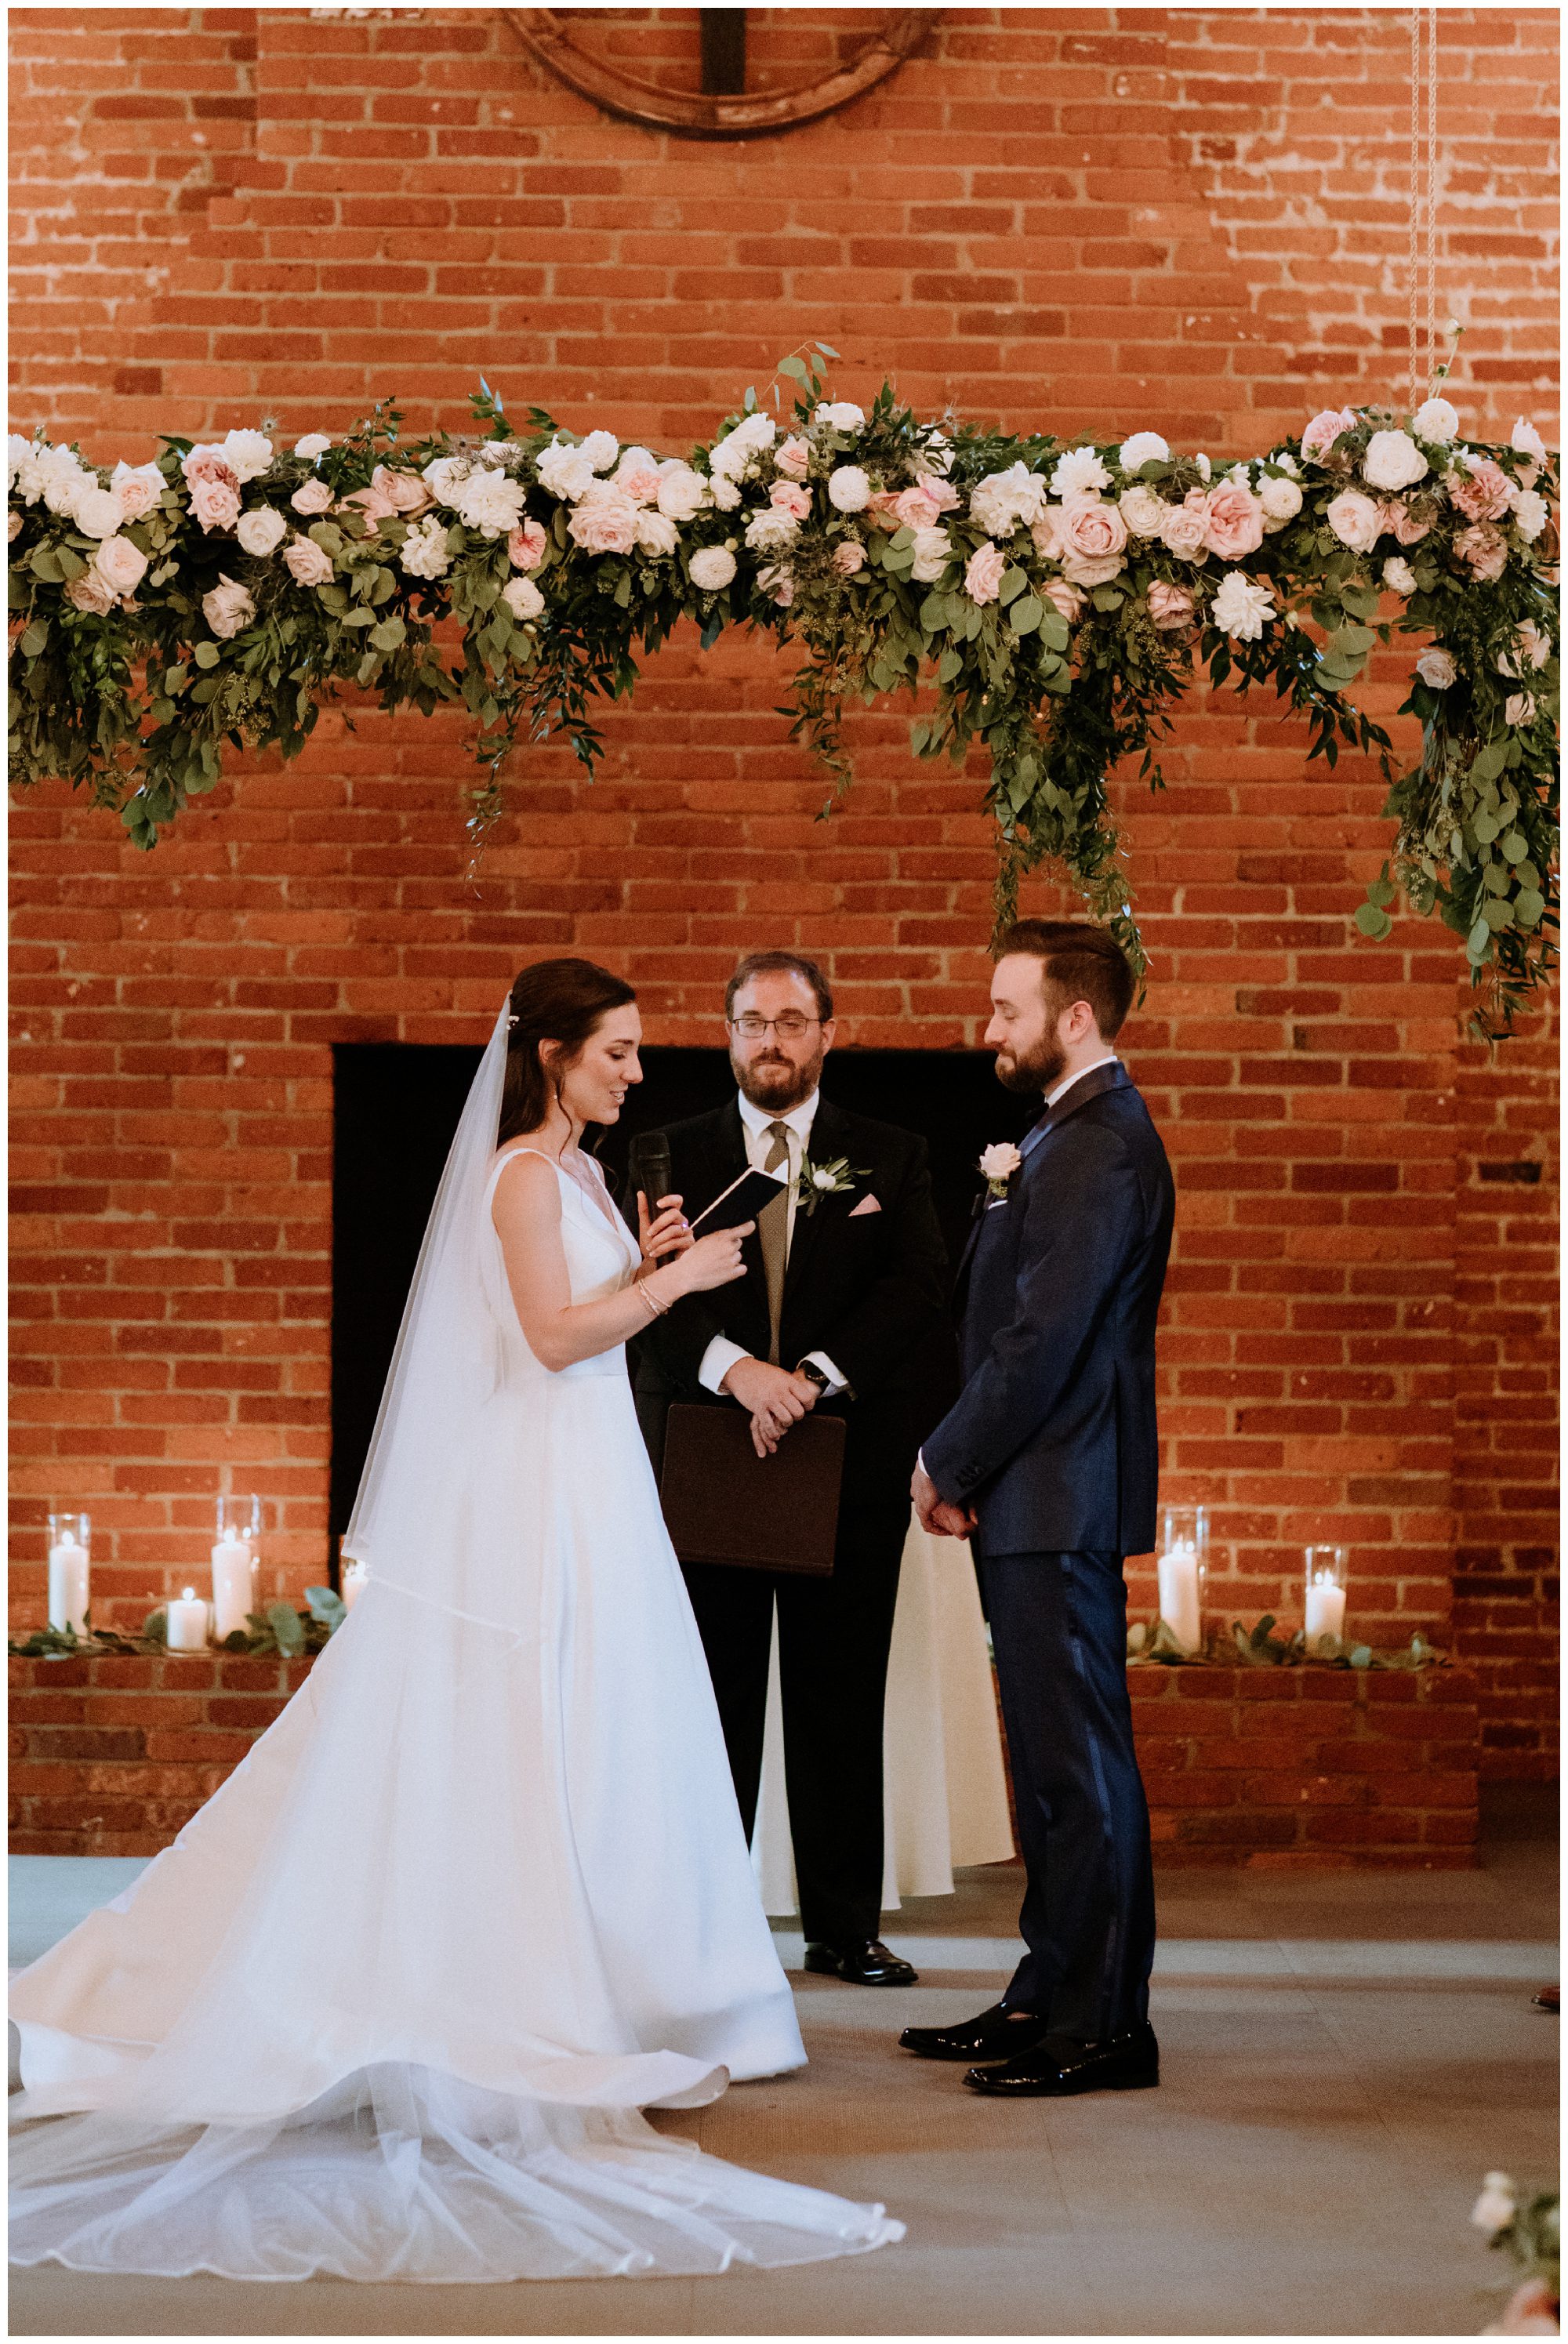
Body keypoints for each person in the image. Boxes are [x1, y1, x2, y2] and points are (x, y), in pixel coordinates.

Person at [9, 959, 902, 2283]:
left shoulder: (591, 1176)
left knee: (610, 1727)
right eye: (619, 1049)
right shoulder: (523, 1178)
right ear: (551, 1057)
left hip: (601, 1481)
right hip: (534, 1490)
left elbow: (589, 1317)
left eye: (643, 1050)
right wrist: (675, 1281)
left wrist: (645, 1258)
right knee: (504, 1731)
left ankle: (651, 1983)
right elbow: (548, 1337)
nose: (639, 1071)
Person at [631, 951, 953, 1988]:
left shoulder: (891, 1157)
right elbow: (648, 1306)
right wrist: (742, 1375)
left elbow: (917, 1289)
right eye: (750, 1020)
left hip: (842, 1460)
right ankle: (707, 1933)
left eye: (791, 1020)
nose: (769, 1039)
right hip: (712, 1456)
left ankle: (843, 1927)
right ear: (728, 1033)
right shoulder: (665, 1152)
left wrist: (807, 1378)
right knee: (710, 1701)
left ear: (828, 1032)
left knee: (839, 1697)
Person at [902, 920, 1174, 2099]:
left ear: (1075, 1016)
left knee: (1081, 1766)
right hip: (1037, 1492)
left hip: (1058, 1488)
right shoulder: (1060, 1135)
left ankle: (1108, 2022)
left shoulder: (1099, 1146)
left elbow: (1043, 1340)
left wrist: (946, 1459)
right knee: (1052, 1766)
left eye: (1008, 1008)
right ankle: (1046, 1991)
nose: (989, 1028)